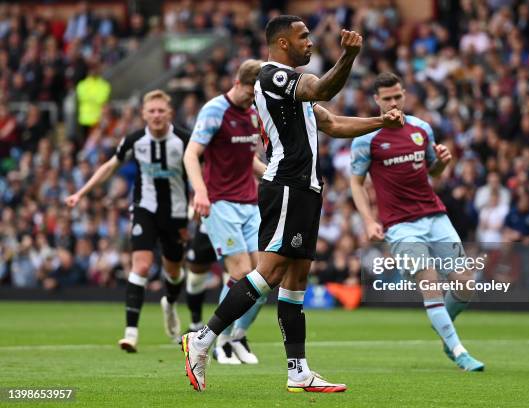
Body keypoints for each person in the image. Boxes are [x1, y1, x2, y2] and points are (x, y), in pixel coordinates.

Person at [181, 15, 403, 393]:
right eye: (303, 37)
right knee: (268, 272)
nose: (310, 42)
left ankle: (298, 371)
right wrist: (348, 57)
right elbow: (323, 90)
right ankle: (202, 339)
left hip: (306, 188)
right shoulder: (273, 76)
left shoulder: (294, 93)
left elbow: (332, 123)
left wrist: (381, 121)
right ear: (283, 43)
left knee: (296, 279)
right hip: (287, 184)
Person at [350, 72, 485, 371]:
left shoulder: (421, 128)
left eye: (398, 96)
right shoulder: (366, 139)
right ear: (377, 100)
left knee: (465, 284)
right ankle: (459, 351)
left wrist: (443, 163)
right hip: (400, 225)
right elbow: (356, 183)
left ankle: (443, 329)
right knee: (431, 285)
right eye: (387, 99)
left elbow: (432, 172)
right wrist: (369, 221)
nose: (394, 102)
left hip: (435, 216)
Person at [65, 90, 189, 352]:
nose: (156, 115)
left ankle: (170, 304)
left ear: (170, 113)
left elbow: (205, 167)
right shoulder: (135, 140)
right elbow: (110, 166)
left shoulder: (184, 140)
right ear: (143, 114)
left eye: (160, 111)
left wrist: (202, 196)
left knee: (174, 272)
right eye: (151, 111)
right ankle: (130, 333)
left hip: (176, 213)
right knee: (141, 266)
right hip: (144, 208)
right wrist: (81, 192)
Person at [182, 59, 268, 364]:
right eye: (253, 92)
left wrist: (273, 176)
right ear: (239, 83)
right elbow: (192, 154)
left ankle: (237, 335)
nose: (255, 98)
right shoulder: (215, 110)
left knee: (266, 276)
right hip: (220, 203)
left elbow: (251, 162)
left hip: (249, 203)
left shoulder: (255, 113)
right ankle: (216, 342)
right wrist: (200, 192)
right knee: (240, 272)